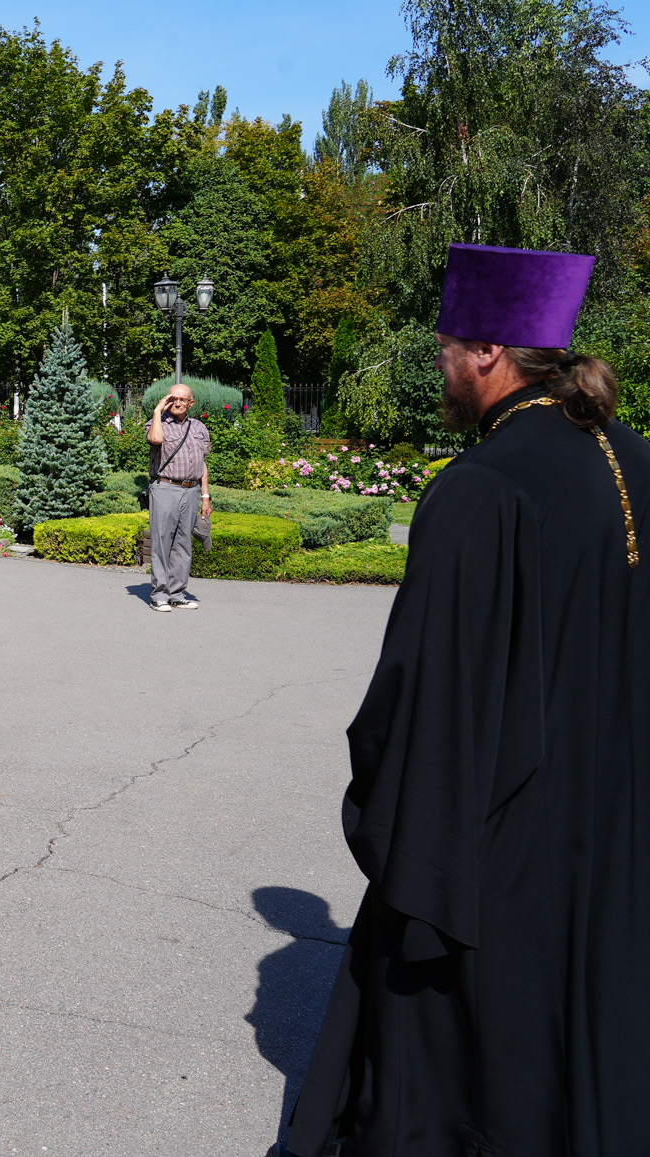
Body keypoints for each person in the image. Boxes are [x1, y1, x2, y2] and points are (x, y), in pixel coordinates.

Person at [287, 243, 650, 1157]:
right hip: (615, 828)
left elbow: (421, 705)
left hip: (502, 859)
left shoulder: (480, 489)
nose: (441, 361)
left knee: (471, 1073)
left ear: (490, 350)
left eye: (447, 344)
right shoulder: (637, 461)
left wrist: (388, 820)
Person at [144, 382, 211, 611]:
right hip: (165, 488)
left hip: (191, 490)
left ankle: (176, 593)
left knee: (183, 544)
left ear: (191, 403)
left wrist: (205, 496)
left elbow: (203, 463)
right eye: (173, 399)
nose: (178, 403)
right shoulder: (157, 423)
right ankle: (159, 595)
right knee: (162, 542)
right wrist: (157, 411)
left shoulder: (199, 427)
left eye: (183, 399)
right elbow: (155, 440)